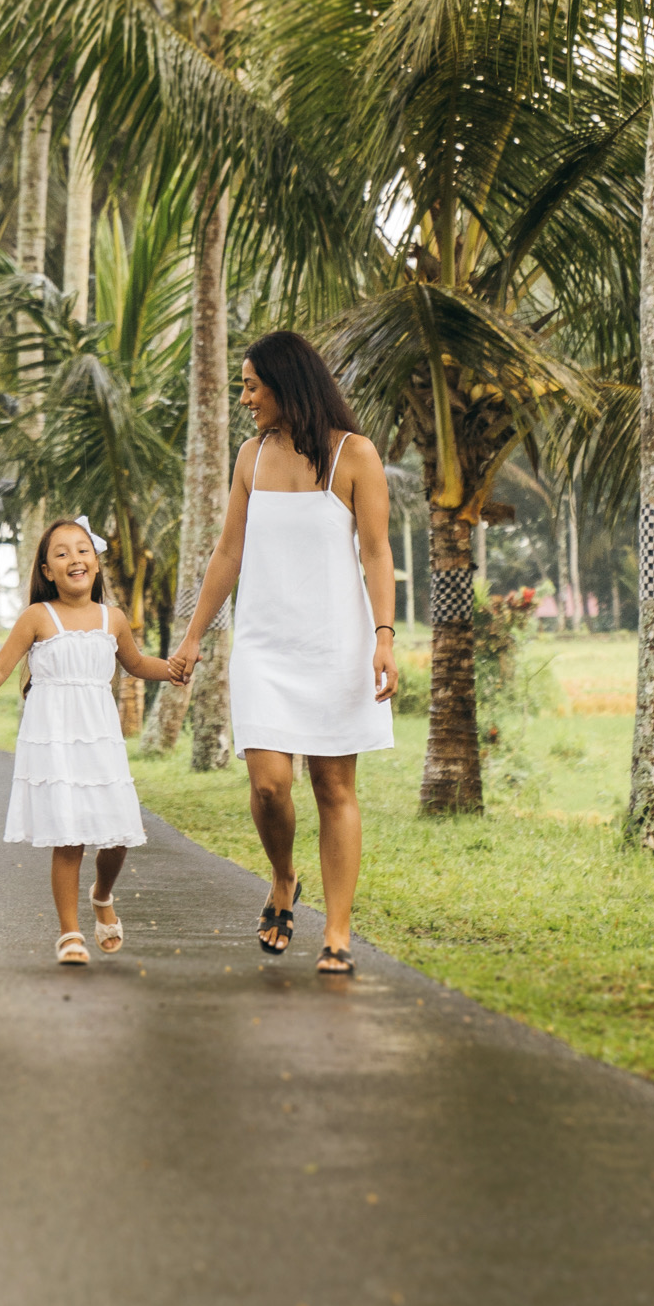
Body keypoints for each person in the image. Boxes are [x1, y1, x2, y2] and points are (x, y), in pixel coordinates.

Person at [167, 329, 399, 979]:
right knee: (270, 786)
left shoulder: (354, 455)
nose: (244, 399)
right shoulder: (250, 457)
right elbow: (228, 553)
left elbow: (376, 551)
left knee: (332, 787)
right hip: (264, 648)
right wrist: (193, 636)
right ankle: (283, 876)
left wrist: (384, 637)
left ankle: (338, 934)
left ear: (285, 384)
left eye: (251, 386)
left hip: (336, 646)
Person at [0, 519, 182, 966]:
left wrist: (173, 668)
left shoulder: (113, 618)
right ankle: (69, 933)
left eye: (83, 550)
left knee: (118, 836)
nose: (75, 559)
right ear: (47, 570)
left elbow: (135, 663)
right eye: (62, 552)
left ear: (96, 562)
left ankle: (102, 894)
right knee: (68, 837)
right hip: (54, 741)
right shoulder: (37, 617)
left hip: (100, 740)